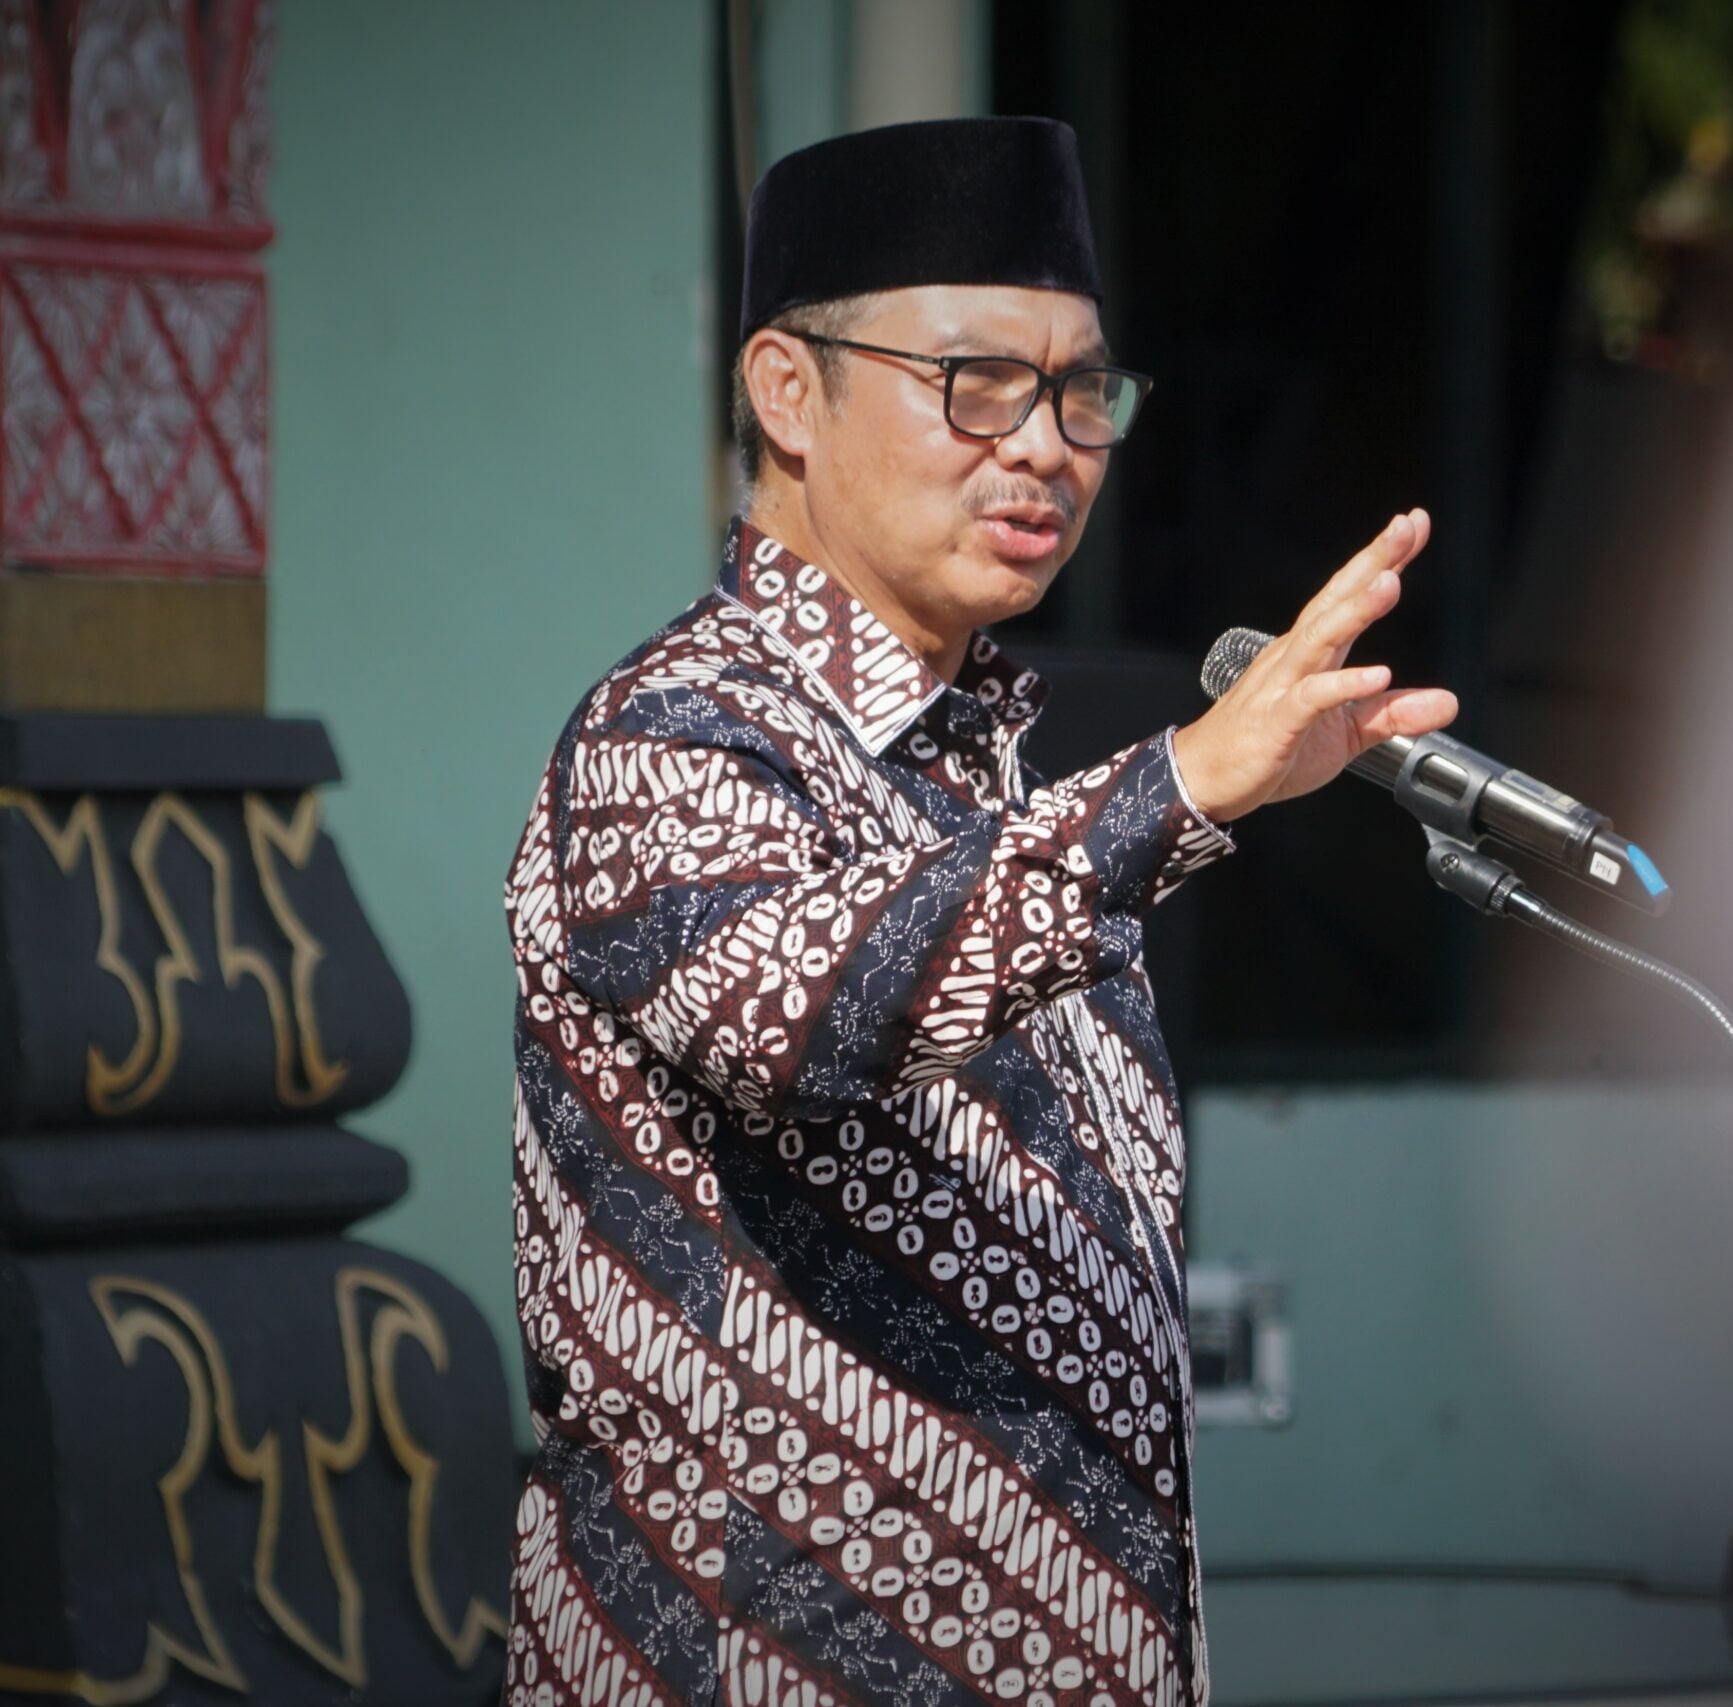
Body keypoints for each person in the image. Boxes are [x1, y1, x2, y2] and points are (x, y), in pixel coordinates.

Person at [502, 116, 1457, 1706]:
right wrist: (1182, 788)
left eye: (1082, 393)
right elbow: (802, 1017)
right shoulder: (670, 736)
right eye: (978, 384)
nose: (1046, 447)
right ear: (787, 392)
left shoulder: (1003, 776)